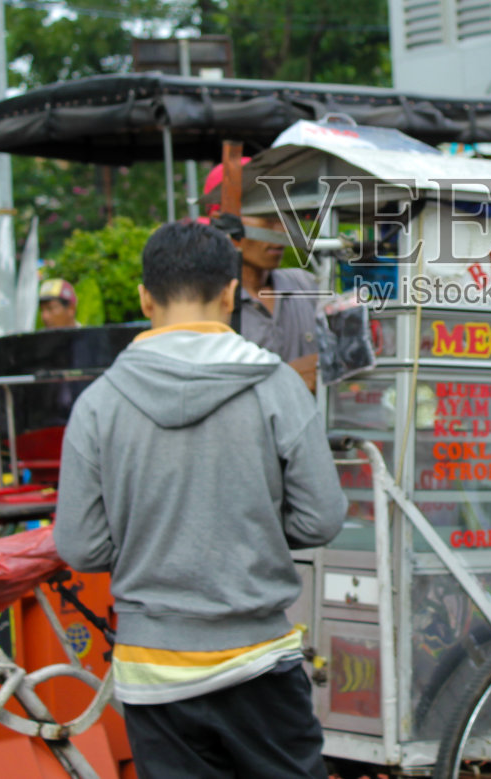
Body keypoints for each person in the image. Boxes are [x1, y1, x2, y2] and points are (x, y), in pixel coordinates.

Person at [54, 221, 345, 779]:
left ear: (144, 296)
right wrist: (253, 526)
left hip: (153, 674)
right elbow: (323, 517)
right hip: (258, 659)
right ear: (231, 293)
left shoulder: (98, 404)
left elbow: (81, 546)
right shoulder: (277, 385)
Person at [205, 159, 321, 391]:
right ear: (222, 223)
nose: (281, 230)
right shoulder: (210, 306)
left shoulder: (305, 285)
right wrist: (292, 377)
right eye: (267, 218)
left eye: (284, 217)